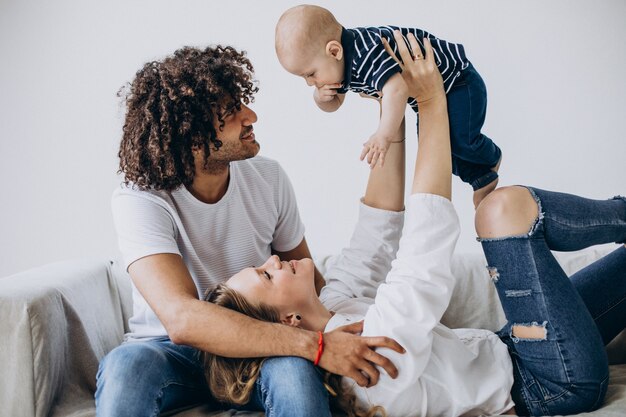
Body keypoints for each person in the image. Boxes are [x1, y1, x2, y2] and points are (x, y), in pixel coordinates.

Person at [205, 32, 626, 416]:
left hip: (515, 348)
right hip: (547, 384)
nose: (276, 259)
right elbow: (422, 257)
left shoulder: (336, 303)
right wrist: (432, 103)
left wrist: (393, 110)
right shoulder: (367, 365)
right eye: (266, 274)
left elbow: (377, 228)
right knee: (501, 212)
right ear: (288, 322)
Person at [96, 45, 404, 417]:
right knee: (126, 367)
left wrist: (348, 323)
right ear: (190, 137)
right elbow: (182, 319)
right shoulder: (140, 199)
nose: (251, 115)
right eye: (230, 113)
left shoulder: (268, 177)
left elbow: (309, 282)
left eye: (242, 103)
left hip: (261, 346)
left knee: (294, 377)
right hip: (171, 351)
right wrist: (317, 346)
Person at [275, 4, 502, 207]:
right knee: (440, 151)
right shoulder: (340, 65)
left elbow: (397, 90)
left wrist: (383, 134)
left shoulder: (366, 53)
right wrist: (320, 98)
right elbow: (334, 104)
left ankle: (491, 157)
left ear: (334, 51)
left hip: (459, 81)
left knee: (461, 141)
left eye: (311, 74)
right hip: (434, 92)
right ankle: (482, 178)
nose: (310, 83)